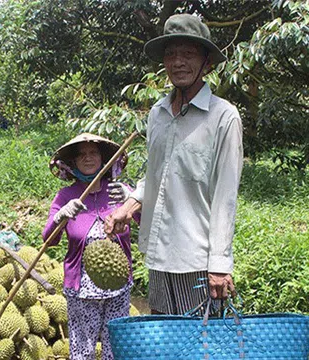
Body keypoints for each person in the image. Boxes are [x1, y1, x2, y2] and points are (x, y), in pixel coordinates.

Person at [104, 14, 243, 315]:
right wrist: (128, 207)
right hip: (158, 254)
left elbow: (225, 196)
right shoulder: (158, 113)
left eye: (188, 54)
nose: (178, 62)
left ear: (207, 63)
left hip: (197, 261)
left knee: (199, 346)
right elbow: (157, 175)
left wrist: (219, 265)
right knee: (163, 338)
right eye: (171, 54)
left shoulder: (223, 117)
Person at [42, 133, 139, 360]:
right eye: (81, 155)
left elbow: (148, 222)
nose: (88, 158)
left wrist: (134, 201)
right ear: (73, 162)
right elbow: (49, 239)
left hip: (118, 287)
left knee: (114, 348)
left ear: (103, 158)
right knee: (82, 349)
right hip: (82, 290)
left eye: (93, 153)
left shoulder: (119, 190)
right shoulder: (65, 196)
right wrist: (60, 217)